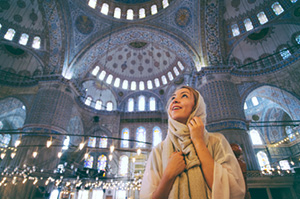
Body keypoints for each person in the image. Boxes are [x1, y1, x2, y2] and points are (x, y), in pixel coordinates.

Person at [140, 86, 245, 199]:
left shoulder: (216, 141)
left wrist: (198, 142)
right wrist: (168, 175)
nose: (174, 100)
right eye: (173, 98)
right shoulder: (158, 151)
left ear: (196, 107)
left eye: (184, 95)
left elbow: (232, 192)